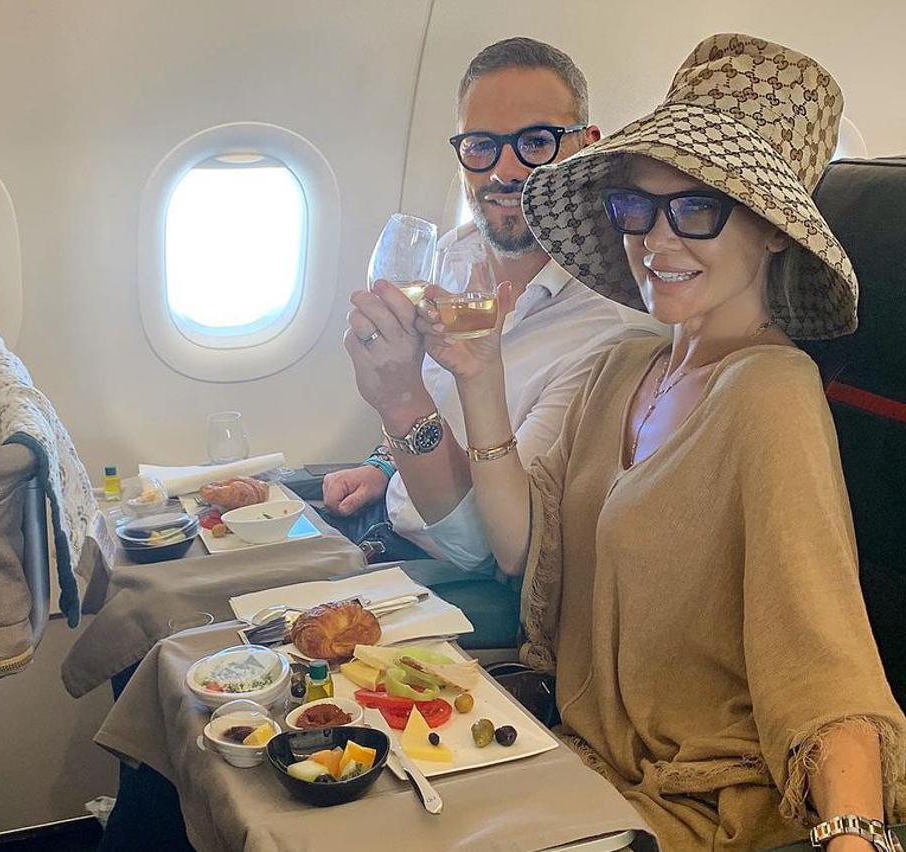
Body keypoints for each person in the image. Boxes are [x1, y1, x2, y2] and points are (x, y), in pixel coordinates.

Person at [417, 34, 905, 850]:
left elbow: (825, 658)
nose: (657, 241)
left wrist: (855, 834)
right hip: (580, 763)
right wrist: (479, 374)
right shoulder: (619, 366)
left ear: (774, 230)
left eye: (697, 209)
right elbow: (522, 548)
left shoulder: (769, 395)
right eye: (638, 208)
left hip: (697, 805)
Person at [325, 37, 663, 569]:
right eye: (481, 145)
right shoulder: (450, 255)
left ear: (586, 146)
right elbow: (444, 417)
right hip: (384, 517)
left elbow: (489, 546)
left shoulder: (614, 331)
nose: (504, 171)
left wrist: (400, 399)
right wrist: (385, 465)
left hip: (458, 577)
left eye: (536, 142)